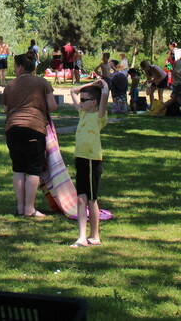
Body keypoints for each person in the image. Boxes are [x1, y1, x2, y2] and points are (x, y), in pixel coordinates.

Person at [2, 53, 58, 218]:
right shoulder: (42, 83)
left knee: (18, 168)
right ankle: (29, 208)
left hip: (12, 128)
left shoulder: (10, 85)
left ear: (19, 67)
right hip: (34, 127)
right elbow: (53, 106)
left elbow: (5, 110)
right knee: (33, 169)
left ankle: (20, 208)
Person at [69, 77, 110, 247]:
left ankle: (95, 235)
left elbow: (105, 93)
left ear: (93, 102)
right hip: (81, 158)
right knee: (80, 198)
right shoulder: (82, 112)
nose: (81, 102)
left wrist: (102, 85)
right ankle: (81, 236)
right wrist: (90, 85)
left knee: (92, 199)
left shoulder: (99, 116)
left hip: (93, 161)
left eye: (84, 100)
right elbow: (73, 91)